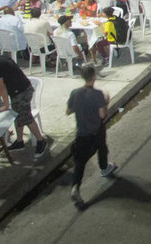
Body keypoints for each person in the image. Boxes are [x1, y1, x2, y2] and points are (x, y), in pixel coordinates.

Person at [66, 65, 115, 204]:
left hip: (81, 133)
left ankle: (76, 186)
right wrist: (106, 101)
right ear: (94, 76)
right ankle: (104, 168)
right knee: (102, 148)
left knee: (80, 163)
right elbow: (102, 114)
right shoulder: (98, 94)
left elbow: (68, 111)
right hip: (96, 131)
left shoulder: (75, 93)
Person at [0, 56, 48, 157]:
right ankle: (19, 142)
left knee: (25, 117)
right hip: (23, 88)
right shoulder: (1, 58)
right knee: (18, 115)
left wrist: (5, 106)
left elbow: (2, 88)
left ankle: (41, 140)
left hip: (21, 91)